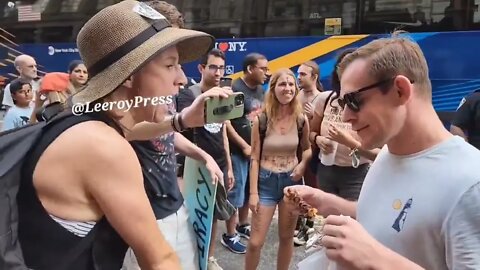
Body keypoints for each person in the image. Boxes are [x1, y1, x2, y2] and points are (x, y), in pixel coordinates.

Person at [16, 1, 231, 269]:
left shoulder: (90, 123)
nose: (182, 79)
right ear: (128, 75)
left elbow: (133, 131)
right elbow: (160, 260)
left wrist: (183, 120)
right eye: (170, 65)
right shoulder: (105, 147)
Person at [285, 32, 480, 270]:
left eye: (354, 101)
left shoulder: (471, 183)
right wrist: (327, 203)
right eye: (343, 103)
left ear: (400, 90)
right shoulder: (389, 153)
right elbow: (393, 220)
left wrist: (376, 258)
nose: (346, 115)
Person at [176, 48, 245, 270]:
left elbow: (223, 130)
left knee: (213, 214)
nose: (217, 72)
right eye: (213, 67)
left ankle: (209, 258)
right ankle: (190, 259)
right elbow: (188, 124)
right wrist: (212, 99)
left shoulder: (222, 93)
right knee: (190, 215)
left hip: (220, 163)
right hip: (195, 164)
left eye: (221, 68)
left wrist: (230, 167)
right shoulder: (189, 94)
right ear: (201, 68)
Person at [245, 68, 311, 270]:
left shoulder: (301, 119)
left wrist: (302, 165)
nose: (288, 88)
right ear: (273, 89)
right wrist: (253, 193)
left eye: (291, 84)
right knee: (256, 242)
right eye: (282, 84)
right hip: (265, 182)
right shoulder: (262, 120)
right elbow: (254, 157)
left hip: (290, 184)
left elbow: (307, 149)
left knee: (286, 237)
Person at [309, 48, 378, 202]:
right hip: (326, 169)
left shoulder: (371, 103)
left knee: (350, 219)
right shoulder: (325, 99)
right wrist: (317, 139)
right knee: (328, 218)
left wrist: (348, 142)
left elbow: (381, 153)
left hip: (356, 172)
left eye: (352, 67)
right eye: (343, 67)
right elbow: (311, 132)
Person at [227, 53, 269, 240]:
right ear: (251, 69)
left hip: (255, 151)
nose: (267, 73)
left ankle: (243, 224)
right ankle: (230, 234)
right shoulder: (235, 89)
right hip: (238, 151)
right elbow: (226, 123)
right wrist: (244, 146)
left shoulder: (260, 89)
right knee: (236, 192)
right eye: (263, 68)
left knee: (248, 190)